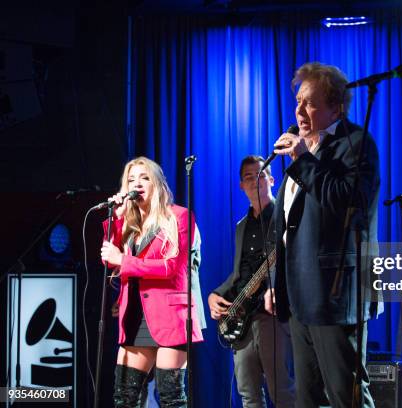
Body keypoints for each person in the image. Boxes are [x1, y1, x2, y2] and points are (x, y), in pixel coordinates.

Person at [271, 62, 381, 407]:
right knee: (307, 398)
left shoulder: (355, 143)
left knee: (345, 394)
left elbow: (349, 203)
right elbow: (288, 225)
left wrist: (304, 160)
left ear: (337, 107)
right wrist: (277, 283)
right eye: (298, 102)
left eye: (311, 103)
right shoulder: (302, 150)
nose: (300, 111)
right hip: (301, 293)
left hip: (336, 293)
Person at [100, 156, 204, 407]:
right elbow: (109, 260)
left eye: (144, 177)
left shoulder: (179, 216)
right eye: (131, 179)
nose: (137, 183)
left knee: (171, 397)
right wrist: (117, 218)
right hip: (135, 315)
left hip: (170, 316)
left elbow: (172, 268)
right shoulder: (127, 222)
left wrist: (124, 261)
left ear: (157, 183)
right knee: (124, 398)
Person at [208, 155, 295, 408]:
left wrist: (276, 288)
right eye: (248, 176)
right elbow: (238, 275)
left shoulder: (286, 218)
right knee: (248, 395)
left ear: (271, 179)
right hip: (242, 319)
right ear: (241, 186)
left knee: (282, 392)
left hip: (274, 316)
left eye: (260, 174)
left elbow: (295, 263)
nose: (254, 180)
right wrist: (215, 294)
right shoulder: (241, 226)